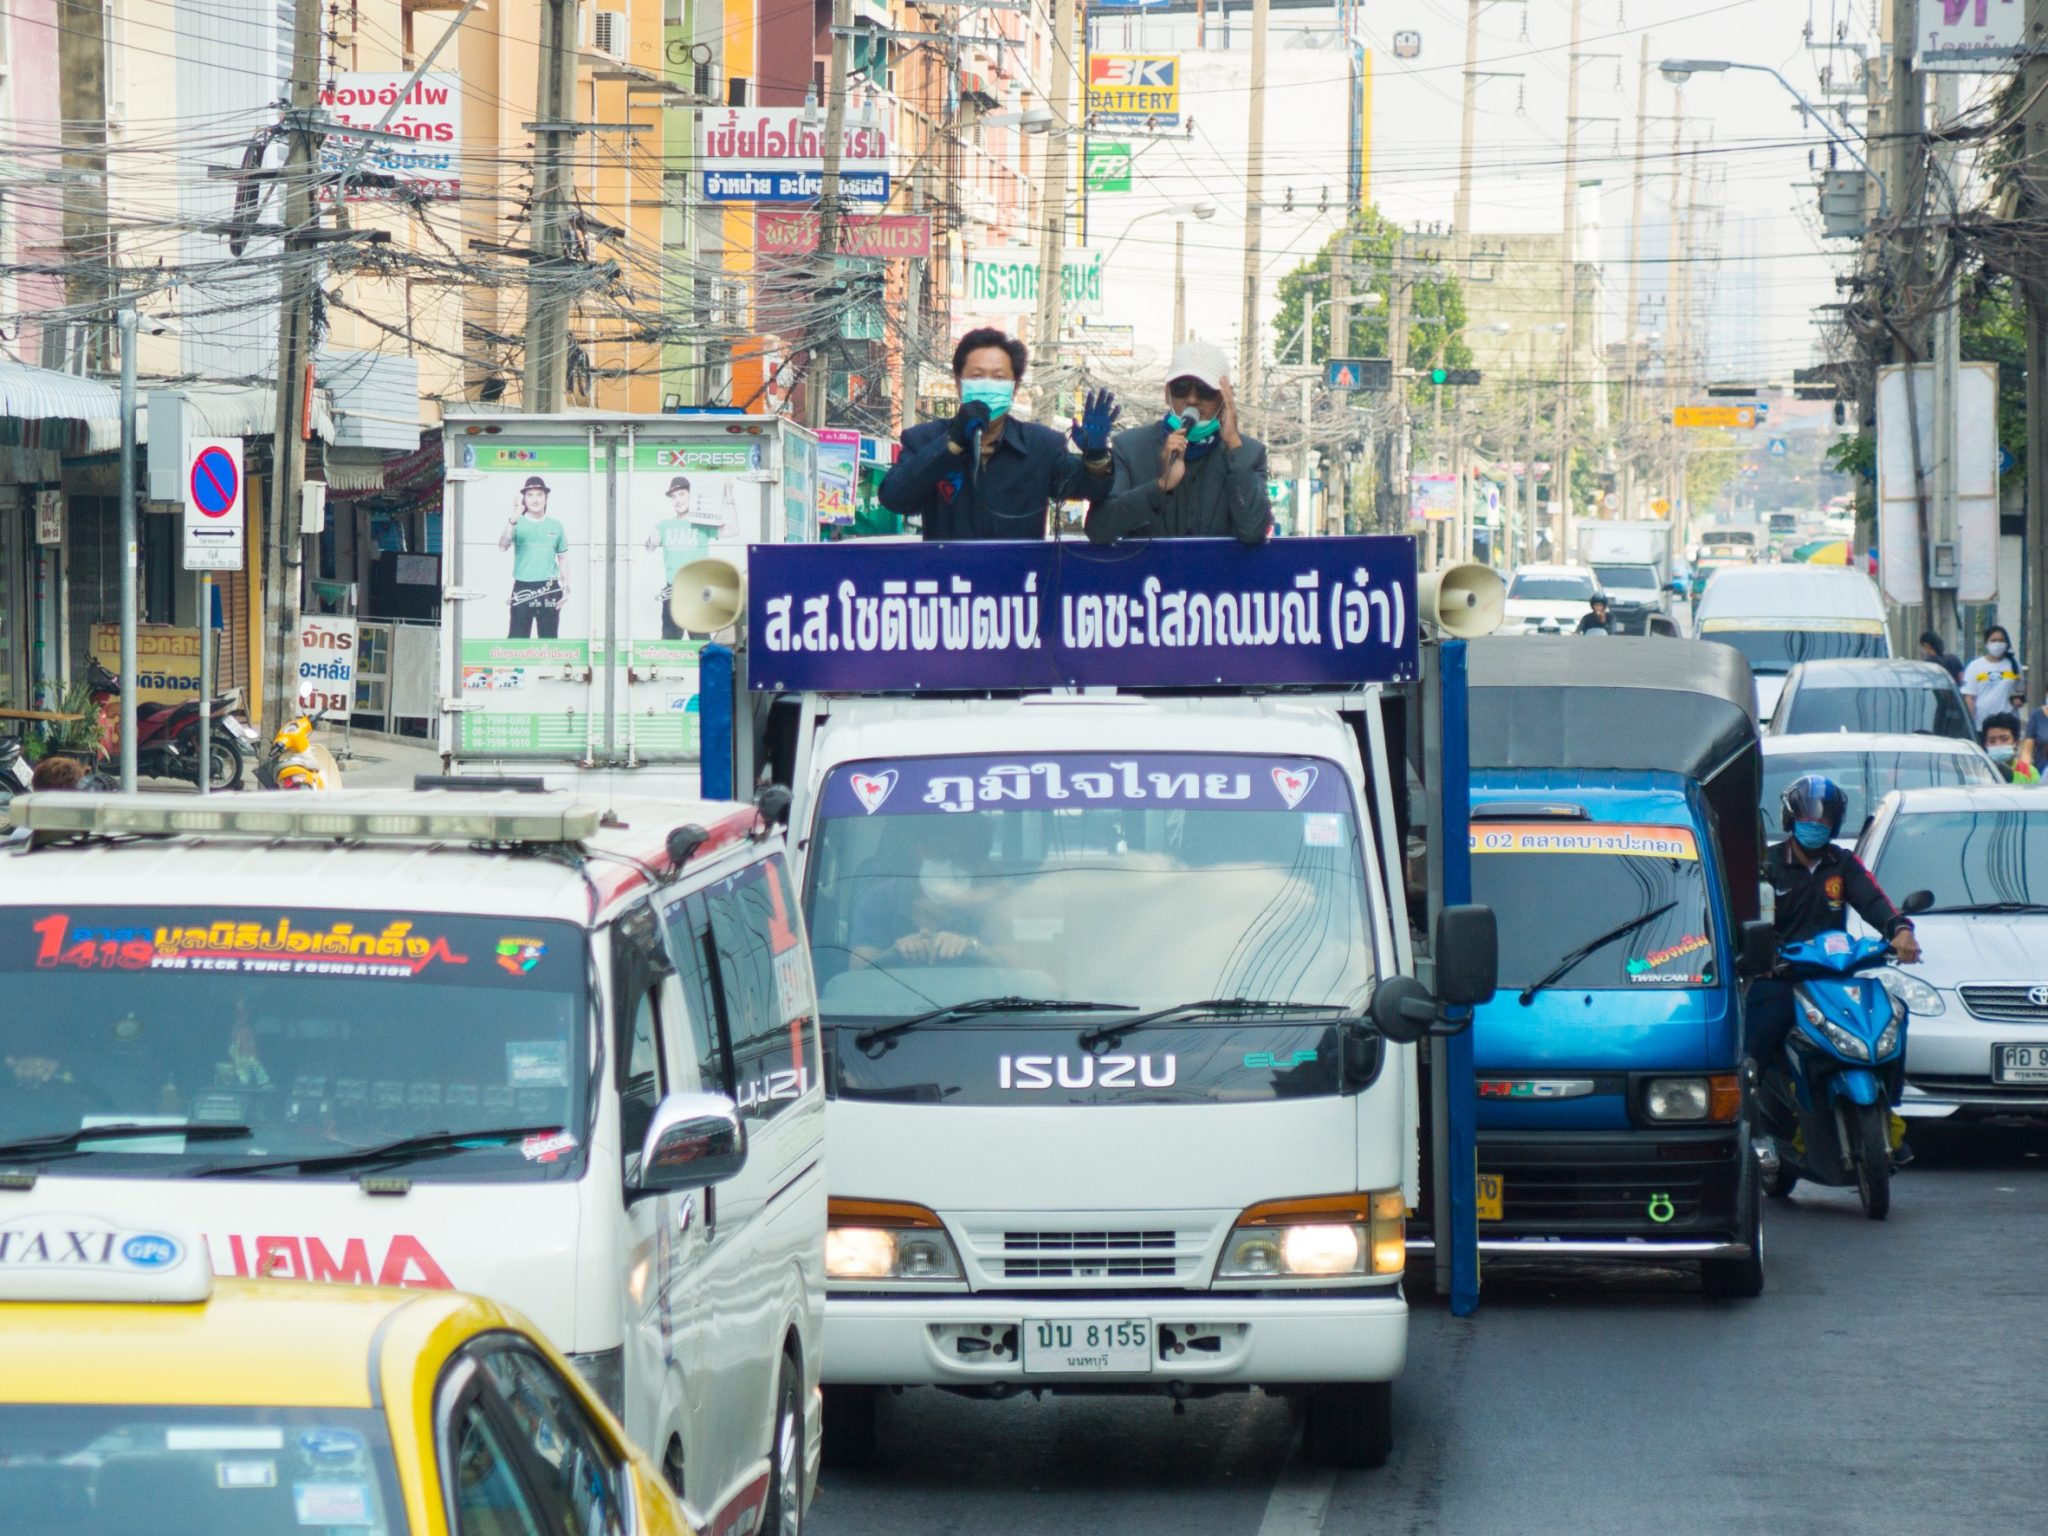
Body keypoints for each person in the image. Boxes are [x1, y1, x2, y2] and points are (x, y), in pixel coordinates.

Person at [1750, 775, 1923, 1163]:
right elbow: (1746, 919)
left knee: (1893, 1016)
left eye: (1824, 823)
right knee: (1754, 1046)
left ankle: (1887, 1113)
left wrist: (1901, 932)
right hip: (1781, 978)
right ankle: (1748, 1129)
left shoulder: (1842, 864)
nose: (1815, 827)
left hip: (1834, 978)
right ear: (1790, 819)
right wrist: (1764, 957)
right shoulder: (1768, 866)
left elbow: (1874, 901)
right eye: (1808, 820)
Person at [878, 328, 1117, 539]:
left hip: (1018, 586)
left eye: (999, 377)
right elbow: (895, 498)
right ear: (959, 384)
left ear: (1014, 389)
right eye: (977, 376)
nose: (987, 384)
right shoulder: (924, 440)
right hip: (950, 584)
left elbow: (1095, 490)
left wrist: (1096, 455)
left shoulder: (1041, 445)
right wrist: (951, 444)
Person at [1087, 338, 1273, 545]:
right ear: (1167, 394)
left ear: (1224, 399)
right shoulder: (1130, 448)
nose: (1192, 399)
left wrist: (1233, 445)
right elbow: (1098, 530)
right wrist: (1160, 487)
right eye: (1181, 387)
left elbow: (1254, 531)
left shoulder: (1247, 453)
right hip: (1151, 577)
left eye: (1205, 390)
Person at [499, 476, 570, 639]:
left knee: (549, 638)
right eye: (530, 495)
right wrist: (513, 519)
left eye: (539, 494)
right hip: (523, 587)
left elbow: (563, 558)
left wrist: (565, 588)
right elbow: (503, 546)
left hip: (549, 588)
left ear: (546, 498)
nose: (535, 499)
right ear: (524, 498)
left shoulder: (556, 525)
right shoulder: (517, 523)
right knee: (517, 639)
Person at [645, 476, 714, 640]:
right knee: (669, 644)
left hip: (697, 590)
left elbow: (733, 530)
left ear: (691, 495)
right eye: (674, 496)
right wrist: (651, 542)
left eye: (681, 494)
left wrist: (728, 498)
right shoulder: (665, 525)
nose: (677, 500)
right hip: (672, 592)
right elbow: (649, 548)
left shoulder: (704, 522)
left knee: (701, 644)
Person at [1961, 624, 2020, 729]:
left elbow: (2019, 692)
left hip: (2008, 724)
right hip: (1981, 724)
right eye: (1993, 640)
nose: (1997, 643)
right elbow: (1969, 698)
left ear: (2007, 644)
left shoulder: (2014, 666)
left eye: (2001, 640)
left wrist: (2018, 700)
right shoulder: (1975, 666)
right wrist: (1970, 725)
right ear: (1986, 643)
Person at [1980, 712, 2040, 784]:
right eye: (1992, 741)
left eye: (2004, 739)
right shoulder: (1979, 772)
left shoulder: (2029, 772)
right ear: (1986, 745)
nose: (1998, 744)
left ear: (2016, 742)